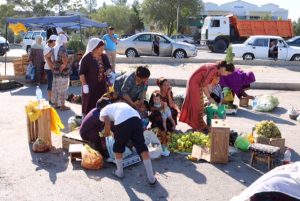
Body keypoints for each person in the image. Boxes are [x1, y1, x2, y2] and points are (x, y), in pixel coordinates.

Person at [99, 101, 156, 185]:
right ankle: (151, 178)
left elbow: (107, 123)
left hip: (123, 121)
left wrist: (106, 133)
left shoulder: (103, 111)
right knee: (142, 146)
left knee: (118, 147)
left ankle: (120, 172)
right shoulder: (117, 105)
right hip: (136, 119)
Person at [179, 61, 235, 131]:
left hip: (198, 83)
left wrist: (213, 97)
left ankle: (199, 125)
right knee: (197, 105)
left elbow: (209, 84)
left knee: (200, 105)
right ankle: (197, 126)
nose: (226, 75)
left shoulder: (216, 70)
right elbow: (204, 85)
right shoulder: (213, 69)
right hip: (194, 83)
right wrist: (209, 97)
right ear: (224, 68)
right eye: (227, 73)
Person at [79, 38, 112, 116]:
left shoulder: (104, 56)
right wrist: (84, 85)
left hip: (101, 85)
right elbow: (82, 73)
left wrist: (108, 71)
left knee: (102, 102)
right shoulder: (87, 58)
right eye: (101, 48)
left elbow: (108, 67)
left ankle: (101, 120)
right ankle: (88, 119)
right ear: (95, 48)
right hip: (90, 86)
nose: (103, 50)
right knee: (89, 103)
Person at [45, 34, 70, 110]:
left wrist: (53, 65)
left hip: (55, 71)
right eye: (65, 42)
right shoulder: (62, 48)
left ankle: (56, 104)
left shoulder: (53, 48)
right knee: (63, 88)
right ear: (63, 41)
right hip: (63, 72)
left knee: (56, 88)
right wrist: (64, 64)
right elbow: (64, 58)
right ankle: (62, 105)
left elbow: (46, 56)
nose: (66, 43)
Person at [43, 34, 57, 105]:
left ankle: (52, 98)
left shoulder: (50, 46)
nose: (56, 44)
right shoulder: (47, 48)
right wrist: (52, 69)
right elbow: (47, 59)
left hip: (51, 67)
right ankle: (50, 99)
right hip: (49, 68)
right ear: (52, 41)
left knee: (53, 84)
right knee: (50, 84)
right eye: (55, 42)